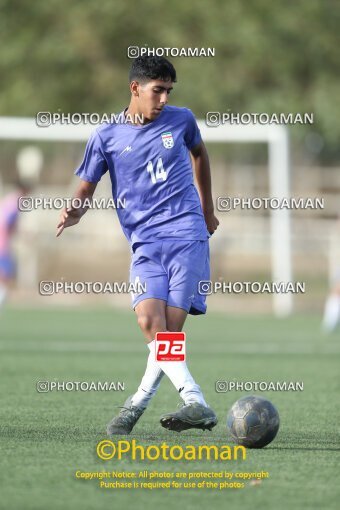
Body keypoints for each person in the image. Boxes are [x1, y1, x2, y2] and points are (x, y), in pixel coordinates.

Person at [56, 56, 219, 434]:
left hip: (187, 235)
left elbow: (200, 154)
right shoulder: (106, 136)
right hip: (144, 243)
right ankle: (193, 402)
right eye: (156, 90)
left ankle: (136, 409)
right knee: (151, 324)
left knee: (169, 335)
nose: (163, 99)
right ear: (135, 89)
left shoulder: (182, 120)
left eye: (168, 91)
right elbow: (85, 188)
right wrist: (74, 211)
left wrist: (208, 210)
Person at [0, 182, 30, 308]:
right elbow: (6, 222)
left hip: (4, 242)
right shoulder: (16, 203)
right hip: (2, 244)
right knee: (5, 276)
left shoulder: (10, 200)